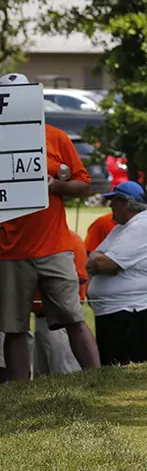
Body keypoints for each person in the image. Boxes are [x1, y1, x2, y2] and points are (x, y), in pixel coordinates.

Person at [0, 73, 100, 381]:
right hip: (9, 250)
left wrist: (56, 185)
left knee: (73, 318)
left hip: (54, 246)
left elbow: (83, 184)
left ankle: (98, 380)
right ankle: (20, 390)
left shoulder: (55, 137)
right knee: (13, 326)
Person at [86, 181, 147, 365]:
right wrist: (101, 263)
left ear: (124, 203)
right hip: (117, 313)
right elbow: (92, 259)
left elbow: (102, 263)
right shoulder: (123, 227)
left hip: (128, 314)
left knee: (122, 368)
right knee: (111, 367)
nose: (110, 206)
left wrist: (106, 264)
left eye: (113, 201)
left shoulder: (140, 227)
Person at [32, 232, 89, 376]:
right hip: (39, 318)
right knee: (42, 374)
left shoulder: (71, 239)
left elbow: (79, 278)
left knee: (64, 372)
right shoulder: (36, 239)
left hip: (60, 319)